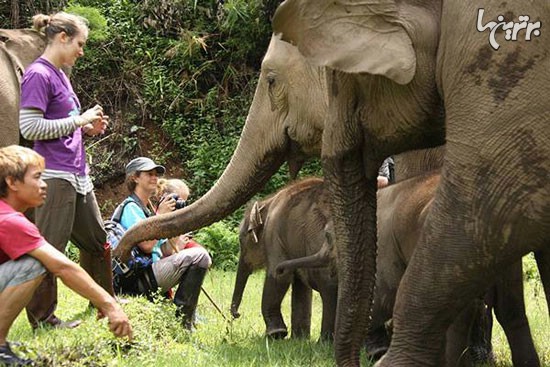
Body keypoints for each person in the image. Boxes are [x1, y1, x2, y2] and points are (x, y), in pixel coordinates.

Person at [18, 12, 115, 329]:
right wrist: (79, 120)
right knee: (49, 249)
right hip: (55, 176)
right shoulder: (38, 75)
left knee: (97, 241)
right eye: (80, 44)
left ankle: (105, 305)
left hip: (78, 174)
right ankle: (43, 320)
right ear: (62, 37)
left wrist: (87, 129)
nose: (81, 51)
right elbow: (30, 127)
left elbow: (62, 125)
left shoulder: (61, 75)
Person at [0, 145, 132, 366]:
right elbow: (63, 267)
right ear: (12, 183)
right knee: (36, 264)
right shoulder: (10, 220)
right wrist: (110, 304)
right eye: (37, 178)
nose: (44, 185)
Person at [113, 157, 211, 330]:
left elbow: (163, 250)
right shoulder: (130, 208)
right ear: (135, 178)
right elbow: (147, 246)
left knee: (201, 256)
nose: (154, 178)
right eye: (149, 174)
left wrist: (175, 228)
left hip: (150, 271)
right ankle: (184, 322)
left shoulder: (146, 209)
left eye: (156, 174)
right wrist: (160, 217)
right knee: (199, 256)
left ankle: (186, 317)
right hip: (136, 279)